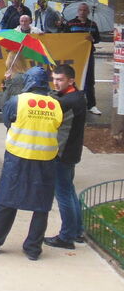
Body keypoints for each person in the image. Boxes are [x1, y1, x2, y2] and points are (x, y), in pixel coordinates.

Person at [0, 66, 62, 260]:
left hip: (18, 157)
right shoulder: (55, 104)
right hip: (45, 160)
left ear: (29, 82)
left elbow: (8, 122)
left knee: (7, 200)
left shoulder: (17, 101)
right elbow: (57, 125)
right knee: (41, 206)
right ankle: (33, 249)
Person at [44, 64, 87, 249]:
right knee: (69, 191)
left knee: (63, 194)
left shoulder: (68, 101)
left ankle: (66, 236)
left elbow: (52, 106)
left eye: (60, 79)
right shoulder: (77, 95)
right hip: (71, 151)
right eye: (54, 79)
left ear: (71, 81)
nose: (56, 83)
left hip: (62, 153)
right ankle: (76, 231)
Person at [62, 3, 101, 115]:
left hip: (88, 56)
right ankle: (71, 104)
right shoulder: (70, 24)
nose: (82, 12)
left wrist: (92, 38)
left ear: (88, 12)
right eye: (80, 10)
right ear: (77, 11)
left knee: (89, 80)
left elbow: (98, 39)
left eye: (85, 10)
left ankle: (91, 105)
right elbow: (64, 38)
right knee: (72, 79)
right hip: (74, 56)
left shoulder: (92, 24)